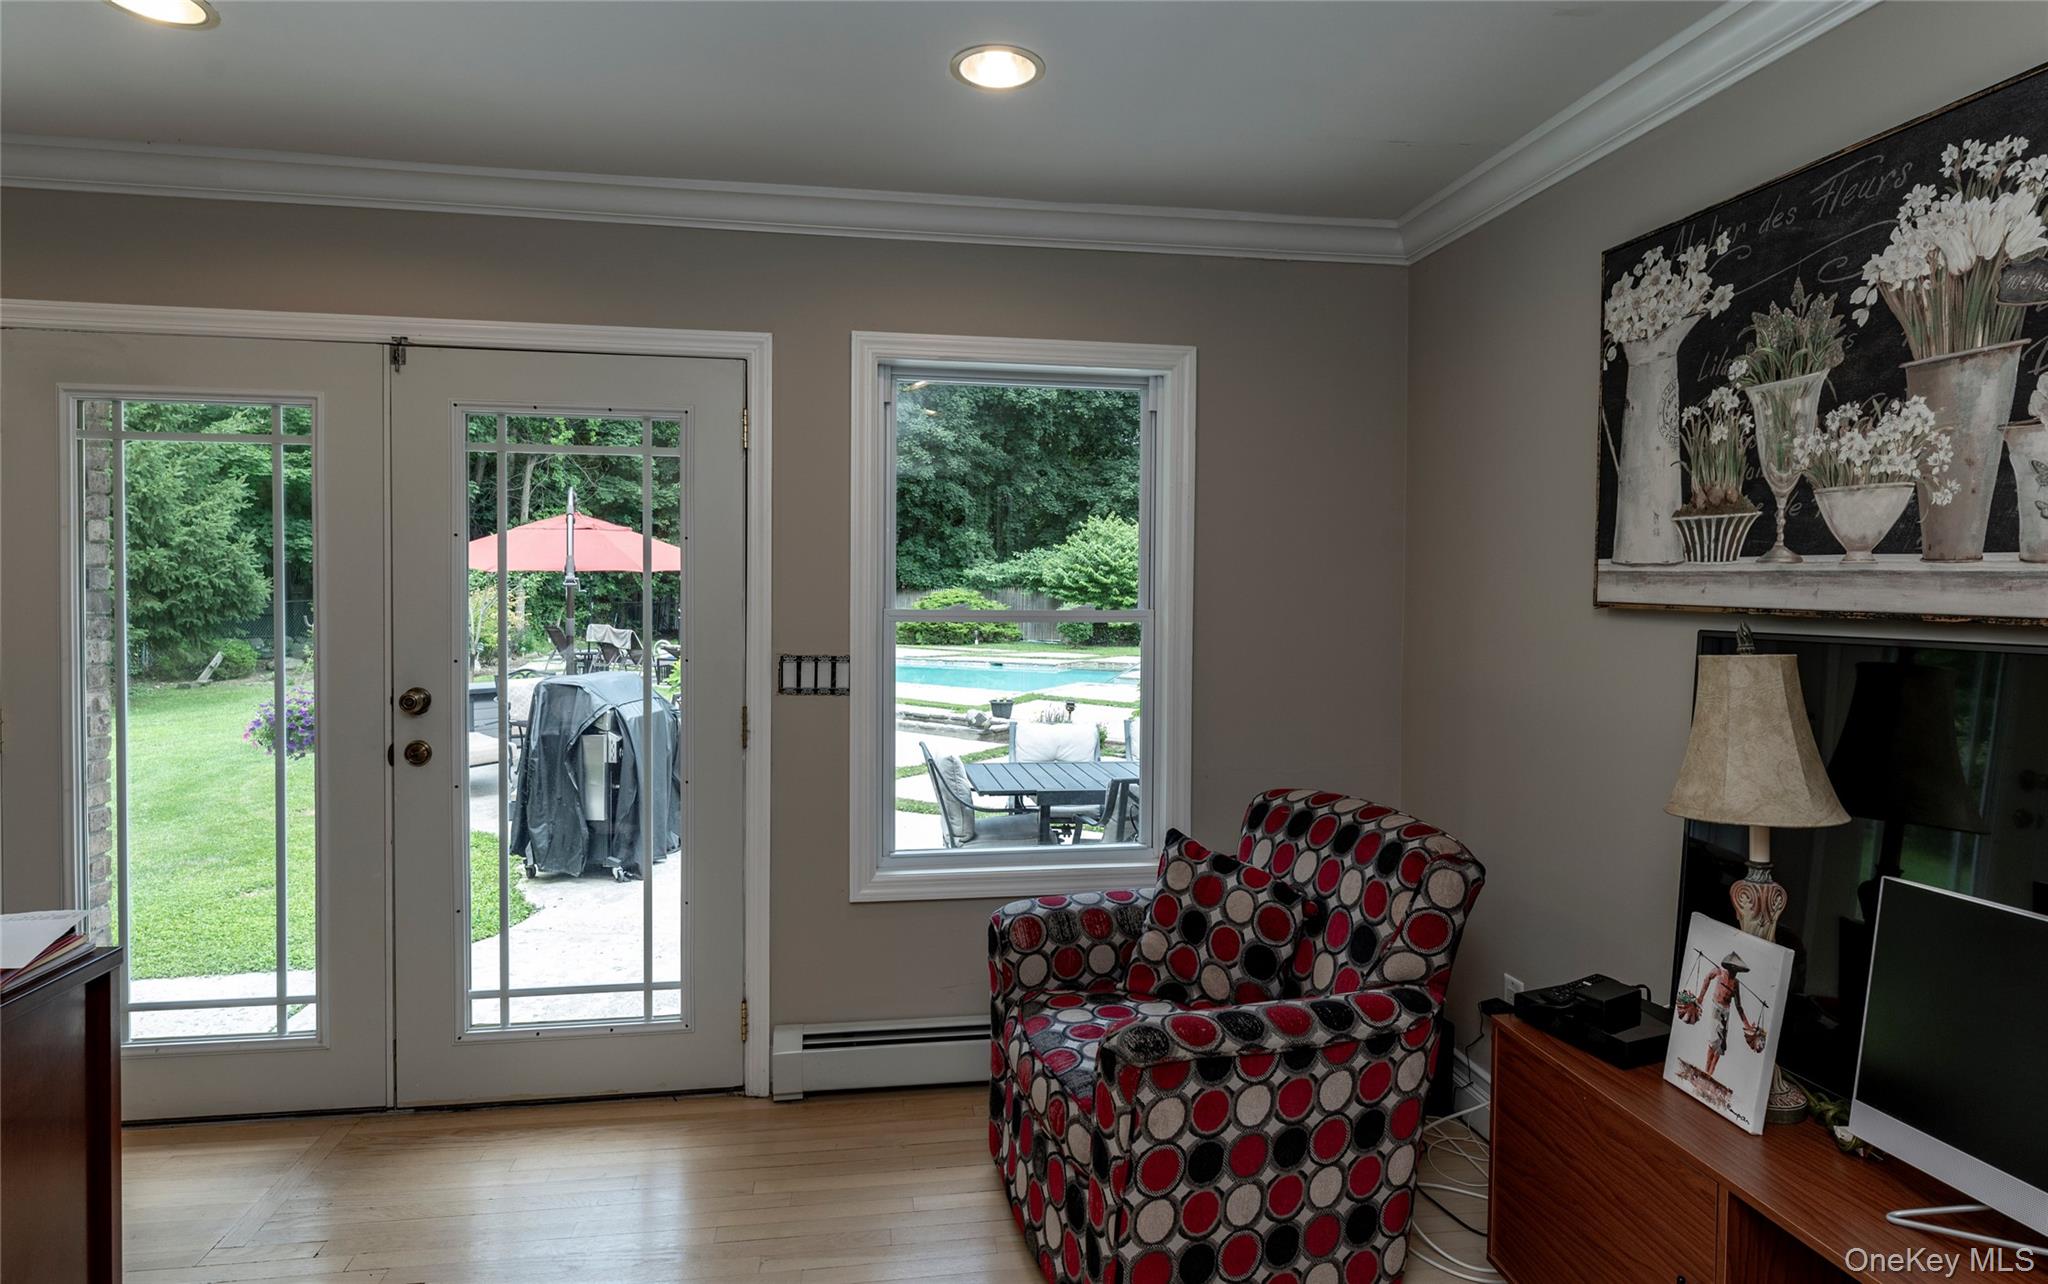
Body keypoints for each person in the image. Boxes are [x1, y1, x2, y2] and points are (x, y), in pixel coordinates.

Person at [1700, 949, 1760, 1078]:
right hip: (1716, 1007)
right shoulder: (1719, 972)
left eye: (1737, 970)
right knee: (1713, 1040)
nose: (1735, 972)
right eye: (1734, 968)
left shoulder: (1736, 983)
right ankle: (1705, 1069)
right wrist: (1700, 998)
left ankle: (1710, 1073)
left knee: (1721, 1045)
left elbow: (1739, 1006)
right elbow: (1707, 979)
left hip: (1726, 1011)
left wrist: (1747, 1025)